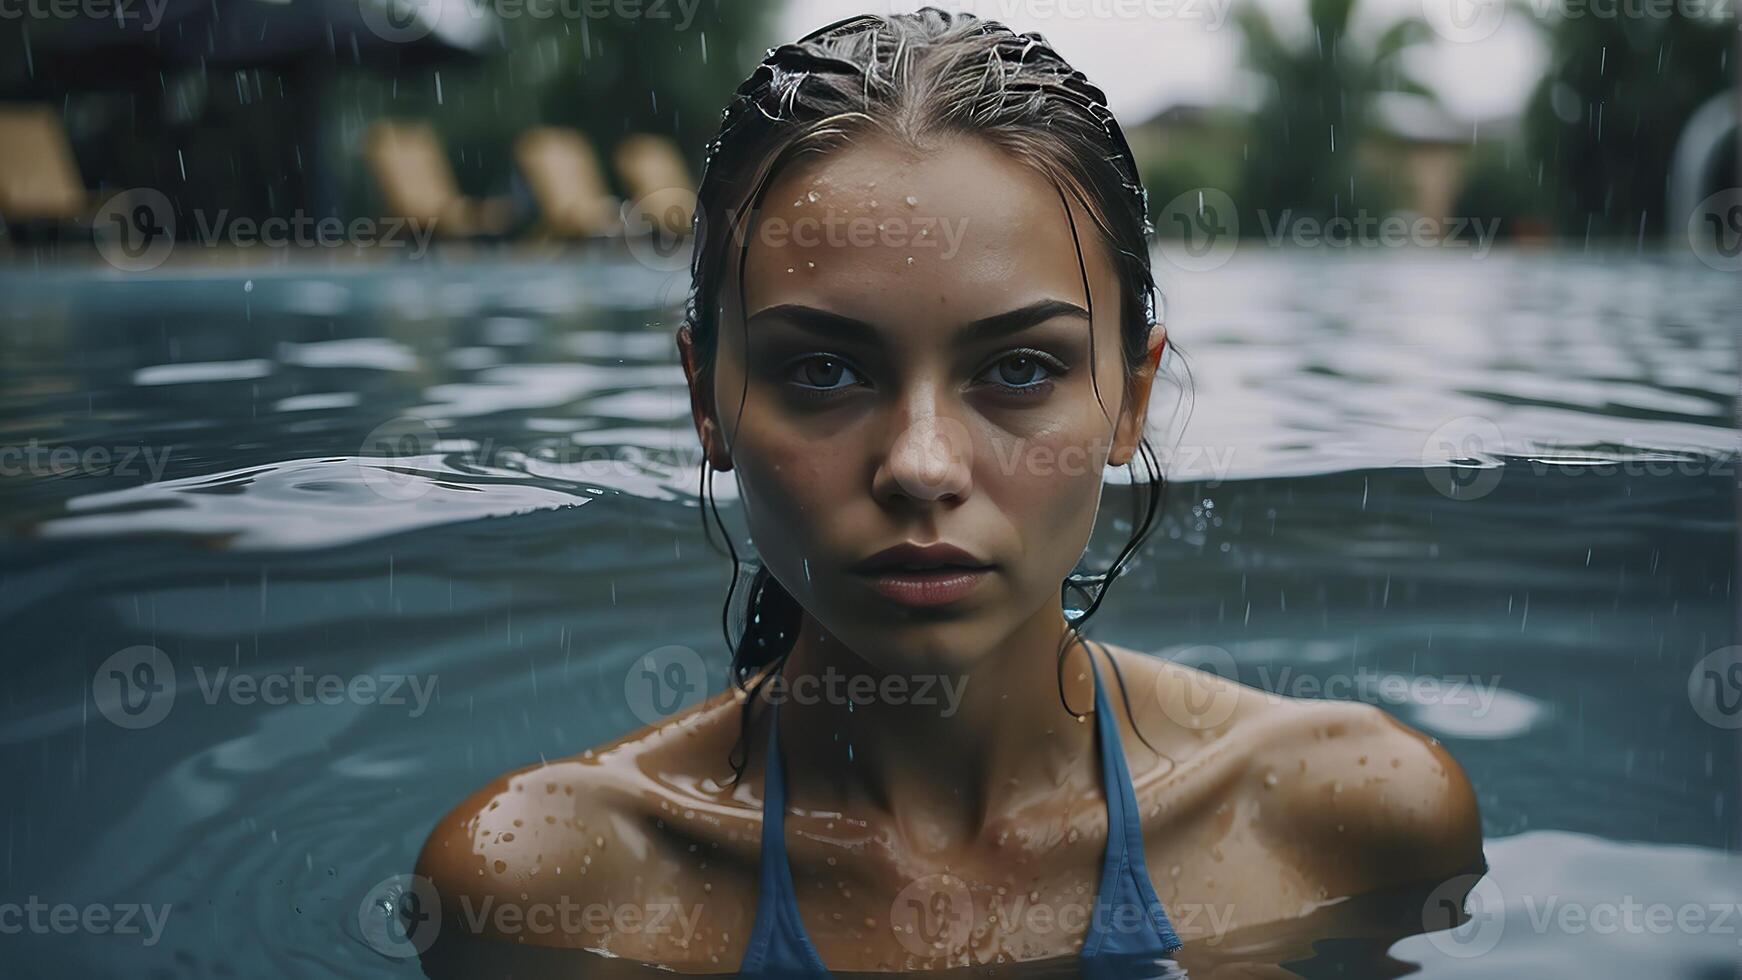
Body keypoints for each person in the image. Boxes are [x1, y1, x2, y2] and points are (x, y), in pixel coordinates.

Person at [414, 9, 1483, 975]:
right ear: (707, 397)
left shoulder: (1349, 815)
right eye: (822, 370)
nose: (921, 464)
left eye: (1018, 369)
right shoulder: (550, 890)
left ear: (1130, 396)